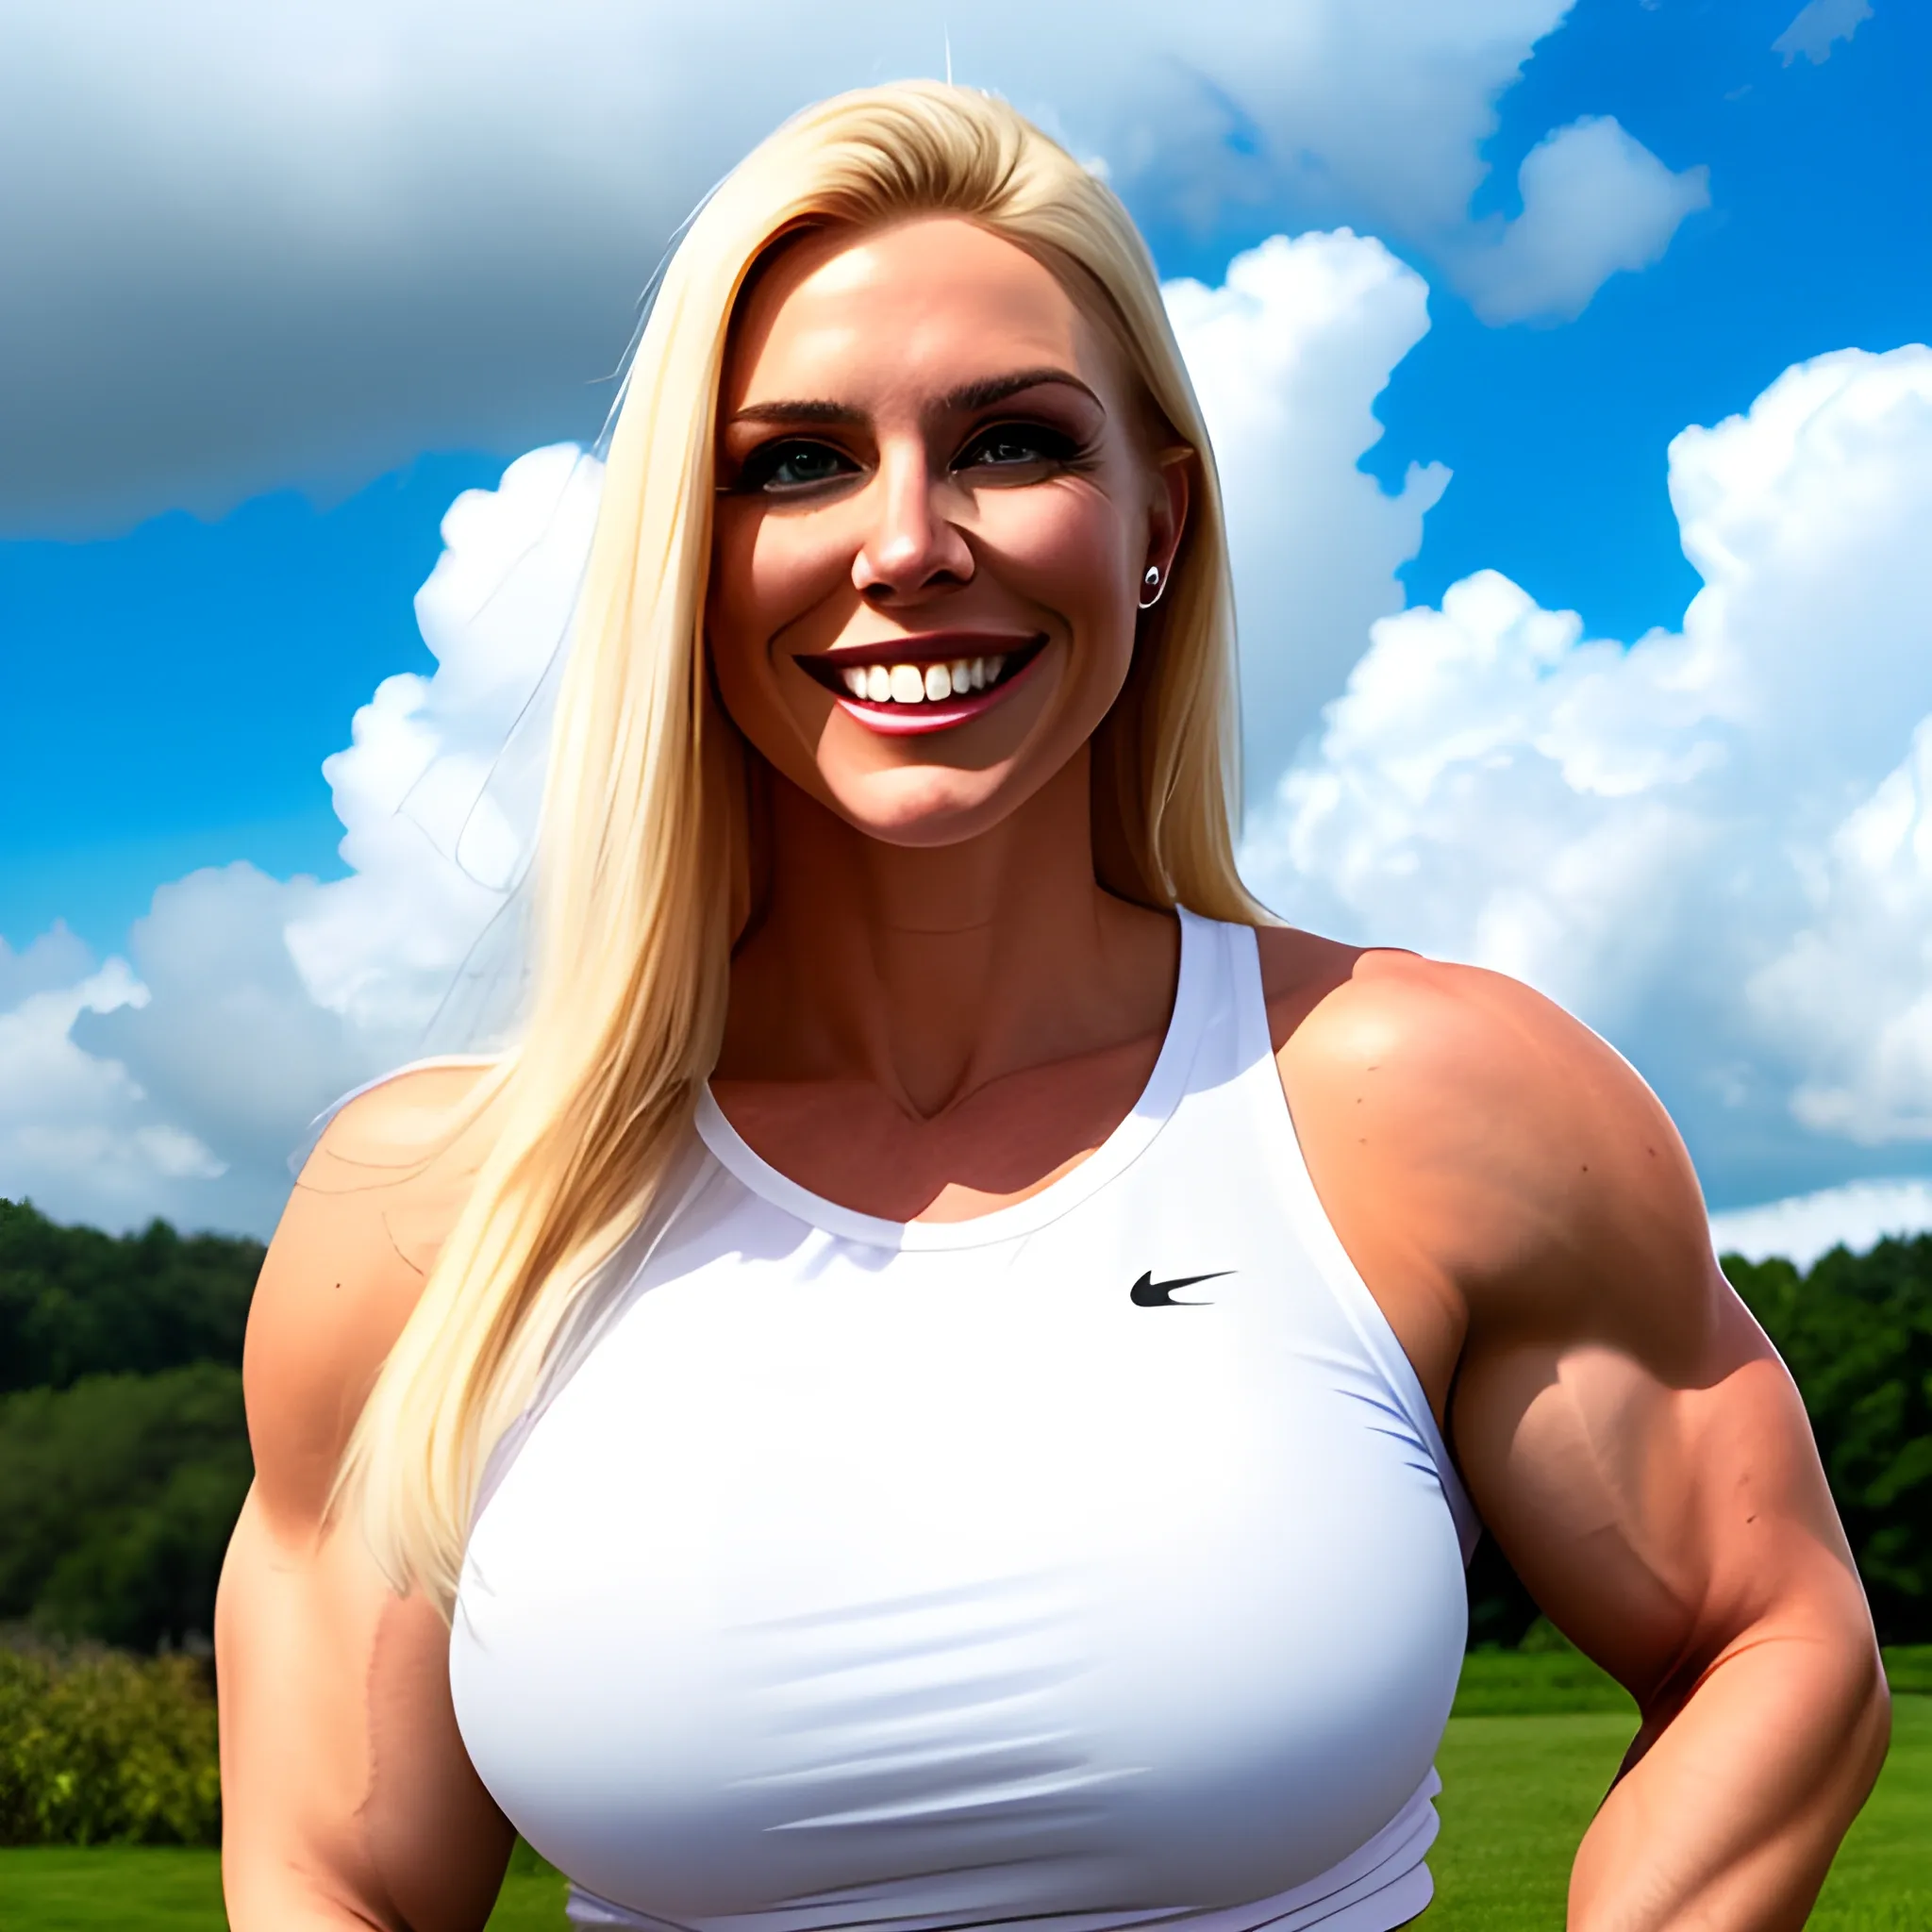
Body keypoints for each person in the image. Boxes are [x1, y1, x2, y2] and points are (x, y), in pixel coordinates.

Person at [215, 82, 1888, 1932]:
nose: (909, 541)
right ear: (686, 556)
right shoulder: (430, 1217)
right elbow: (328, 1868)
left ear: (1154, 518)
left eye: (1011, 443)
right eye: (792, 462)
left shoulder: (1426, 1103)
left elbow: (1777, 1635)